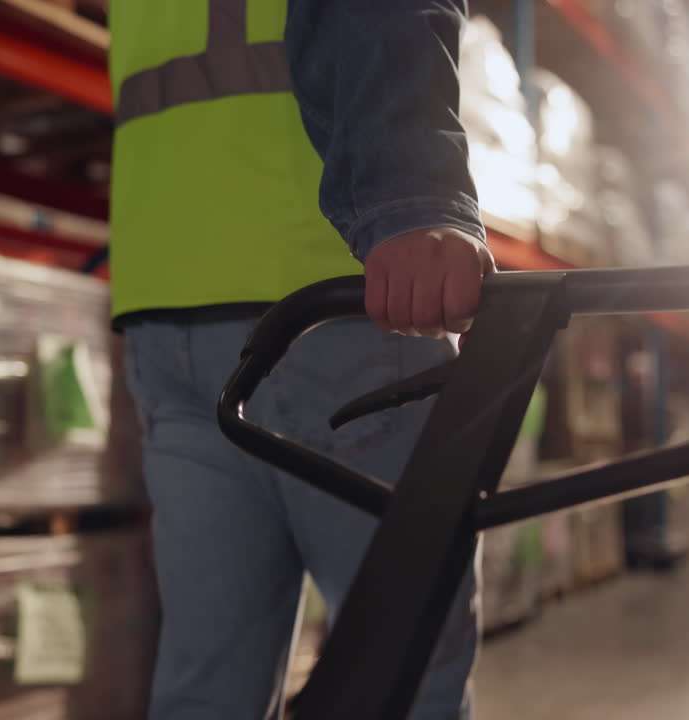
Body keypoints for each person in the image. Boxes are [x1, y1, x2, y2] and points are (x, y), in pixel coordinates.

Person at [107, 0, 494, 716]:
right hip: (331, 303)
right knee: (405, 671)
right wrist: (417, 198)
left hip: (167, 300)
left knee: (208, 686)